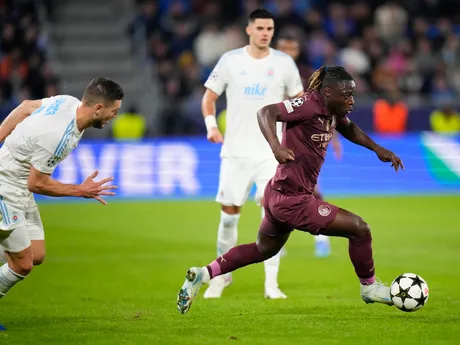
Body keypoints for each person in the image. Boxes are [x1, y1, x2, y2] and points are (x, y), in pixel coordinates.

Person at [177, 65, 404, 314]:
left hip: (279, 194)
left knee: (263, 249)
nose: (351, 100)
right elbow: (265, 112)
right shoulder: (307, 105)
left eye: (353, 95)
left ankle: (203, 273)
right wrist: (275, 146)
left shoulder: (332, 109)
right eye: (346, 95)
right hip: (293, 200)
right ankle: (369, 288)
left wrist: (377, 149)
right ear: (328, 92)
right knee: (359, 229)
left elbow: (348, 127)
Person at [202, 8, 304, 299]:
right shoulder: (231, 61)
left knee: (274, 216)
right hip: (235, 151)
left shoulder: (284, 64)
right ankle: (221, 277)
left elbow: (299, 104)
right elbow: (209, 98)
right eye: (260, 28)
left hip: (271, 154)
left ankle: (271, 284)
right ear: (249, 29)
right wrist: (211, 126)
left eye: (269, 29)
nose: (265, 33)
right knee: (229, 216)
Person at [0, 77, 123, 299]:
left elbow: (26, 106)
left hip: (19, 187)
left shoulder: (67, 102)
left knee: (36, 254)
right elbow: (36, 183)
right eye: (113, 111)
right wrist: (81, 191)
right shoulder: (58, 136)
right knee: (23, 264)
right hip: (5, 187)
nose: (115, 116)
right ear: (98, 108)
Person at [275, 34, 343, 258]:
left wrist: (332, 137)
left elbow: (318, 111)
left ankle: (321, 238)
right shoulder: (268, 75)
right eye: (284, 48)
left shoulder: (302, 77)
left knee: (312, 189)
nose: (288, 52)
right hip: (273, 140)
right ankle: (276, 242)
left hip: (298, 142)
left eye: (292, 48)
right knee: (275, 192)